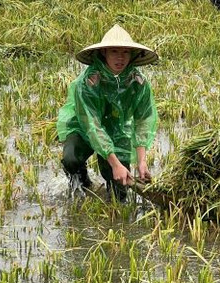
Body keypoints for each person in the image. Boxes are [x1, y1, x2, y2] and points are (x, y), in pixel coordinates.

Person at [56, 24, 158, 201]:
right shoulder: (88, 82)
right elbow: (91, 124)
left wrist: (142, 161)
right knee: (71, 159)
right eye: (114, 51)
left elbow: (143, 120)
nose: (120, 58)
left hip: (115, 130)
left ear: (132, 54)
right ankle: (83, 184)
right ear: (104, 53)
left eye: (125, 52)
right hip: (83, 127)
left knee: (120, 192)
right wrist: (115, 163)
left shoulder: (137, 82)